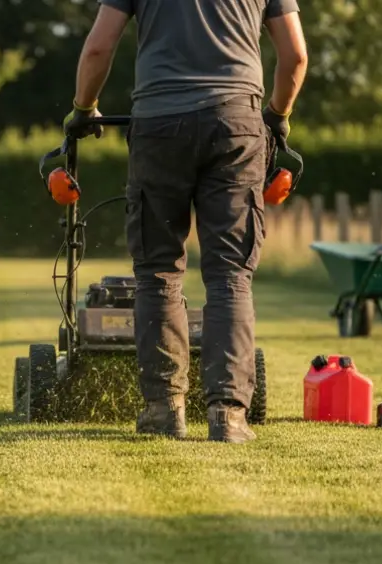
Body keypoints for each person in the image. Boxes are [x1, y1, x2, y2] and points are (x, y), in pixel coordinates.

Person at [64, 0, 308, 443]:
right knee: (229, 274)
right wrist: (276, 116)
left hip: (158, 126)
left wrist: (84, 109)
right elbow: (295, 56)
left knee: (158, 271)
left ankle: (164, 410)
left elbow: (98, 48)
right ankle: (228, 415)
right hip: (237, 123)